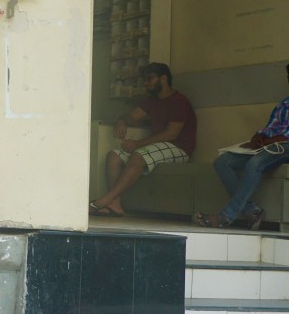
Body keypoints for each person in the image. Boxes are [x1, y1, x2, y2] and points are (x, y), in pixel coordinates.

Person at [90, 62, 197, 217]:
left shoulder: (179, 101)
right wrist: (122, 121)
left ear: (163, 79)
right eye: (145, 80)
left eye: (150, 79)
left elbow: (171, 134)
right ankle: (115, 204)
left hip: (179, 148)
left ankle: (102, 202)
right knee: (114, 155)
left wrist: (137, 144)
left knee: (138, 155)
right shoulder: (151, 101)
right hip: (157, 148)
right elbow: (131, 116)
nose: (146, 83)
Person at [193, 64, 289, 229]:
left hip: (284, 146)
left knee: (255, 163)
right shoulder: (284, 104)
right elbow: (271, 127)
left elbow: (284, 136)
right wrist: (259, 136)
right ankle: (251, 211)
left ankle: (225, 216)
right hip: (268, 144)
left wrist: (271, 141)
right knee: (222, 162)